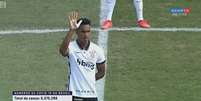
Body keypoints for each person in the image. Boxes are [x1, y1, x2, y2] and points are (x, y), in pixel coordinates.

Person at [59, 11, 106, 101]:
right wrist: (71, 30)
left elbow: (101, 72)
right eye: (83, 32)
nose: (86, 35)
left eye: (88, 31)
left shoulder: (97, 50)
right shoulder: (71, 47)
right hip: (74, 95)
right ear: (77, 32)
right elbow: (62, 51)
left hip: (91, 96)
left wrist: (88, 80)